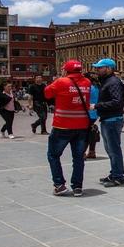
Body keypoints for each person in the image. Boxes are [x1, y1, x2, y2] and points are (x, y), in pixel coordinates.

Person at [44, 60, 91, 196]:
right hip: (82, 126)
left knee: (53, 155)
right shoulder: (87, 82)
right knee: (78, 158)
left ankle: (59, 185)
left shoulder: (61, 82)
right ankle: (77, 187)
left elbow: (47, 93)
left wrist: (59, 79)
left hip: (62, 126)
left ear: (66, 70)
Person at [92, 58, 124, 187]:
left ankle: (118, 176)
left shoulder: (113, 82)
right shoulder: (107, 81)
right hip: (108, 119)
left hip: (113, 119)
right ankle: (114, 173)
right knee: (110, 149)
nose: (97, 70)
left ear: (109, 68)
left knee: (114, 149)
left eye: (100, 68)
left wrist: (97, 106)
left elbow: (117, 101)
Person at [84, 72, 100, 159]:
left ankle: (82, 152)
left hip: (87, 113)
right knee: (91, 130)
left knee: (85, 133)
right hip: (95, 113)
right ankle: (92, 151)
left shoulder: (87, 88)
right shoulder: (97, 87)